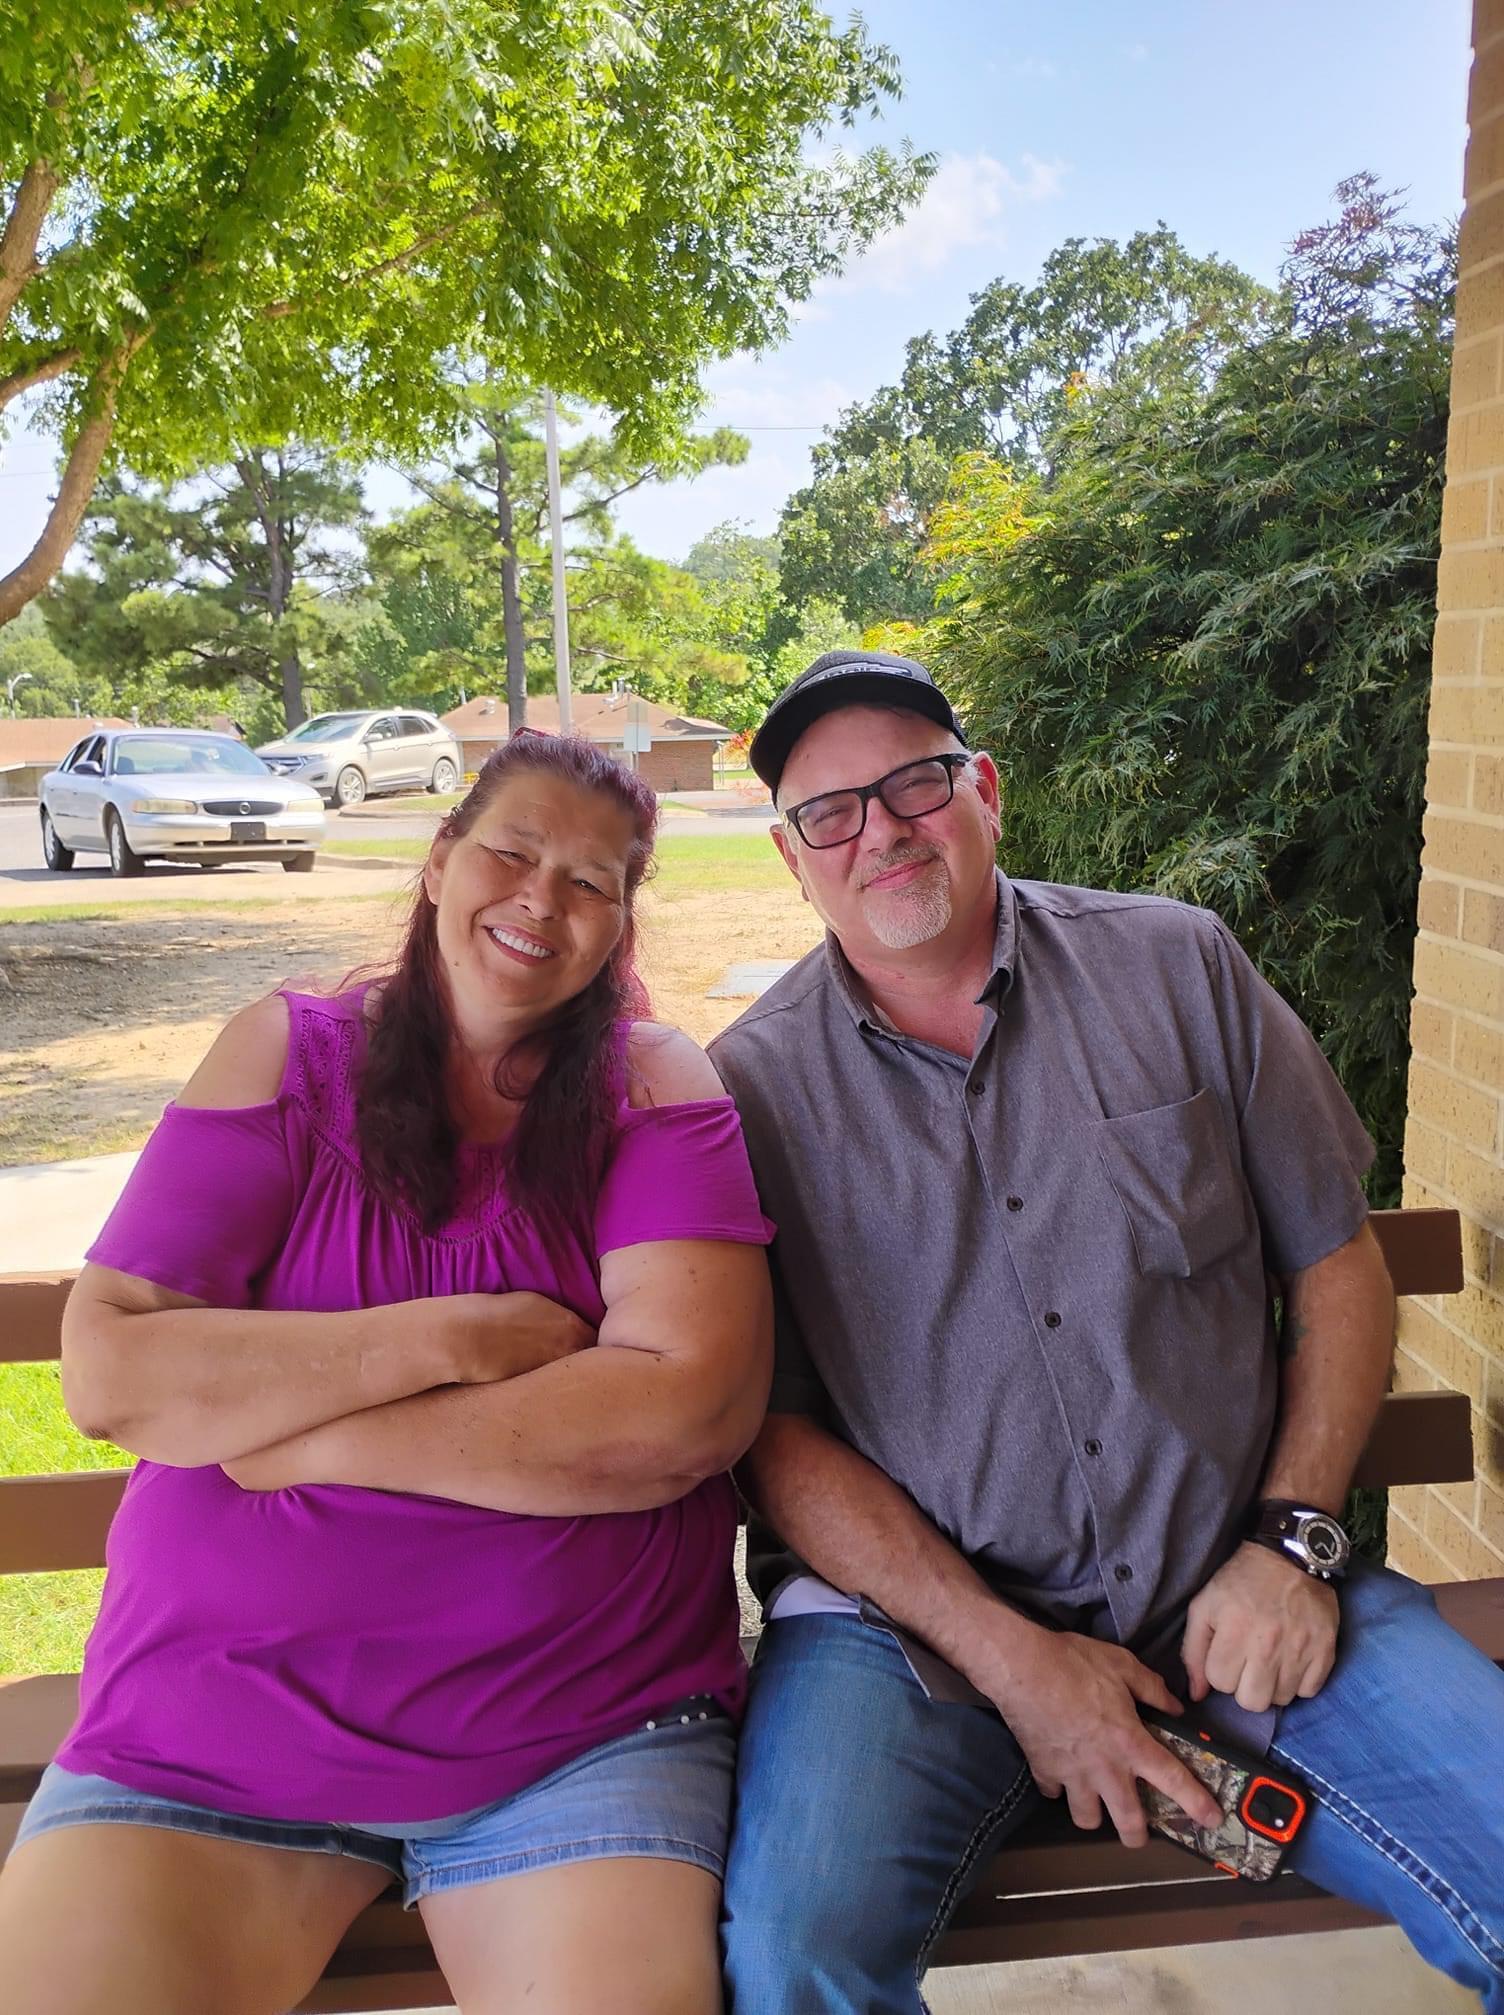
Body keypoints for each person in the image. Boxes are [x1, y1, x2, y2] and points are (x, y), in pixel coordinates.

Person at [708, 650, 1504, 2014]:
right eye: (829, 812)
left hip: (1230, 1579)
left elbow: (1336, 1261)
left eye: (915, 781)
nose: (881, 830)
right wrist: (1020, 1664)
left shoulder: (1176, 965)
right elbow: (776, 1436)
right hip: (913, 1642)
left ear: (986, 790)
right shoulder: (750, 1090)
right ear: (794, 859)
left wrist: (1292, 1539)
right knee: (795, 1953)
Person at [0, 731, 774, 2015]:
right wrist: (452, 1335)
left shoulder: (650, 1086)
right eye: (512, 852)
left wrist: (299, 1433)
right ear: (437, 861)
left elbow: (680, 1412)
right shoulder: (287, 1056)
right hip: (210, 1727)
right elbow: (117, 1369)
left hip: (578, 1733)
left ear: (624, 921)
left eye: (591, 881)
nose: (541, 899)